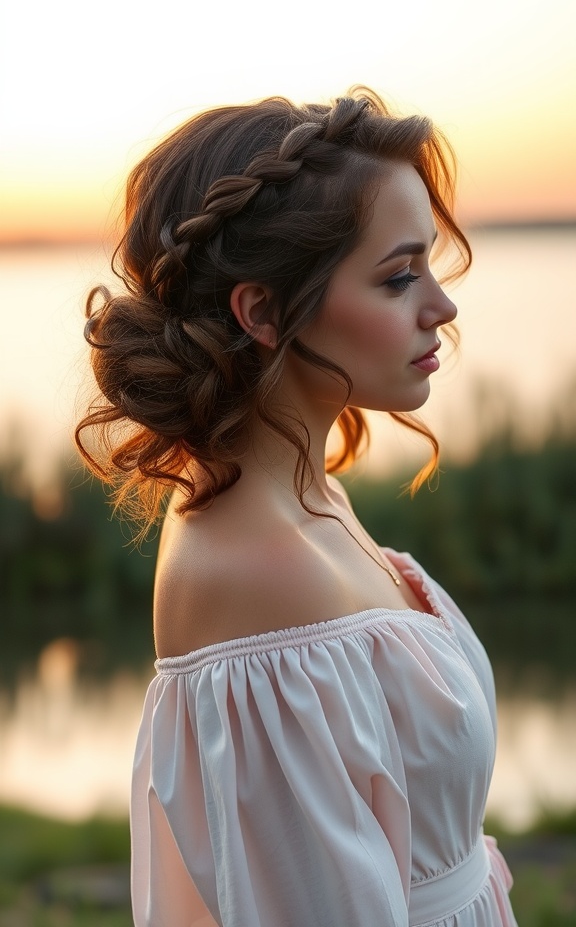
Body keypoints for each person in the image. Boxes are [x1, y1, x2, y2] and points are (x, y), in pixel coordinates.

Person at [76, 88, 517, 926]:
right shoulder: (253, 571)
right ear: (264, 312)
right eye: (397, 277)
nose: (441, 306)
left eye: (429, 264)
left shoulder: (311, 497)